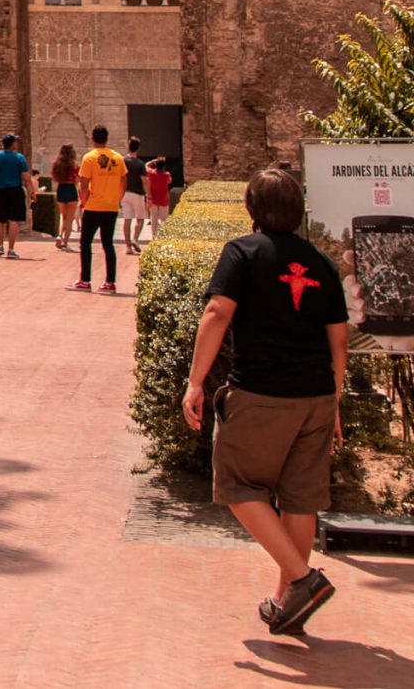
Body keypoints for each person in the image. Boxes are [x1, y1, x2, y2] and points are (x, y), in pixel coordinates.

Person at [180, 167, 348, 637]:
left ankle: (302, 579)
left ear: (252, 210)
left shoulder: (243, 252)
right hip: (316, 397)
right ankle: (287, 601)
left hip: (262, 392)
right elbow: (339, 343)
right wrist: (334, 403)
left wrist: (195, 383)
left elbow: (217, 312)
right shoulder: (321, 263)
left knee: (236, 485)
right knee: (299, 498)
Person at [70, 127, 128, 294]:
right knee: (108, 244)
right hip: (111, 206)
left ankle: (85, 280)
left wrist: (84, 201)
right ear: (107, 138)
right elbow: (124, 180)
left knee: (85, 243)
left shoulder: (89, 158)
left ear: (92, 139)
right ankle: (110, 282)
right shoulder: (118, 158)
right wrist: (118, 198)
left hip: (94, 206)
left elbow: (84, 183)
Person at [0, 133, 36, 258]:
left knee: (1, 219)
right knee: (14, 220)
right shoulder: (19, 158)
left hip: (1, 190)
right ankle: (11, 249)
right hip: (15, 190)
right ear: (13, 144)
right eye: (16, 142)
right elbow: (26, 178)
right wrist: (32, 192)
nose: (17, 144)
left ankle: (0, 246)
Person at [121, 137, 150, 254]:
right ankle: (135, 239)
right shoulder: (140, 164)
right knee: (140, 218)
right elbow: (145, 180)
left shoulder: (122, 161)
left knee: (127, 219)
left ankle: (127, 246)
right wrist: (149, 195)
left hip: (125, 193)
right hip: (137, 194)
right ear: (138, 148)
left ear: (128, 146)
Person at [48, 144, 80, 251]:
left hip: (61, 189)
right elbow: (77, 180)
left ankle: (59, 235)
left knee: (63, 216)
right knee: (70, 219)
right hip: (71, 189)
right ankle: (65, 242)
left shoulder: (57, 164)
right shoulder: (74, 165)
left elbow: (54, 178)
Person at [145, 156, 174, 235]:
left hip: (153, 199)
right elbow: (169, 181)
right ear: (164, 166)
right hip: (163, 200)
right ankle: (163, 236)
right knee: (164, 219)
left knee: (153, 219)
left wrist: (153, 161)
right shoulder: (167, 175)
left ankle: (154, 236)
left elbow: (146, 166)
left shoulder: (151, 173)